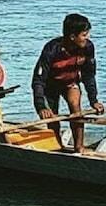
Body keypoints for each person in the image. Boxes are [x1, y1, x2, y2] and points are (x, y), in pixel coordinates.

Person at [33, 13, 102, 151]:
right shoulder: (52, 49)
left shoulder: (88, 47)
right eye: (84, 35)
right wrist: (41, 106)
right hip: (50, 85)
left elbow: (88, 75)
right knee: (52, 118)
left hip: (70, 82)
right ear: (72, 37)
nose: (87, 38)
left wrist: (93, 100)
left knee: (75, 107)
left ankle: (79, 147)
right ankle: (57, 147)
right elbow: (38, 81)